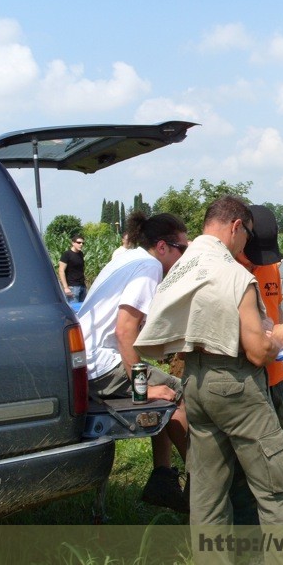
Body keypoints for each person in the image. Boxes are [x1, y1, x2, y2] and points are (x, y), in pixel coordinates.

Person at [133, 196, 283, 550]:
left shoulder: (182, 264)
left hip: (195, 380)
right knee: (277, 487)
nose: (246, 246)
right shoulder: (234, 274)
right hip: (235, 383)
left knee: (208, 495)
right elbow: (257, 352)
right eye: (246, 235)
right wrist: (281, 338)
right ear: (236, 226)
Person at [77, 212, 190, 512]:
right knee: (179, 395)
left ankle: (163, 479)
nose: (185, 256)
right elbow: (124, 331)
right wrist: (143, 390)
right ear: (163, 247)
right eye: (184, 249)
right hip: (100, 364)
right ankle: (202, 481)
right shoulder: (150, 267)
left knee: (163, 388)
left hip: (84, 361)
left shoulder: (126, 259)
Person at [229, 205, 283, 526]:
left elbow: (278, 311)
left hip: (275, 378)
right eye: (253, 256)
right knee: (250, 462)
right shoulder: (228, 272)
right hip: (248, 382)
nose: (259, 263)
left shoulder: (270, 267)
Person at [59, 234, 86, 303]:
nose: (81, 244)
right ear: (73, 243)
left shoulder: (81, 254)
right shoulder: (67, 254)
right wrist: (66, 287)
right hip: (72, 287)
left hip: (82, 286)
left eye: (83, 243)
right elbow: (61, 271)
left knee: (83, 310)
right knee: (74, 310)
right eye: (79, 242)